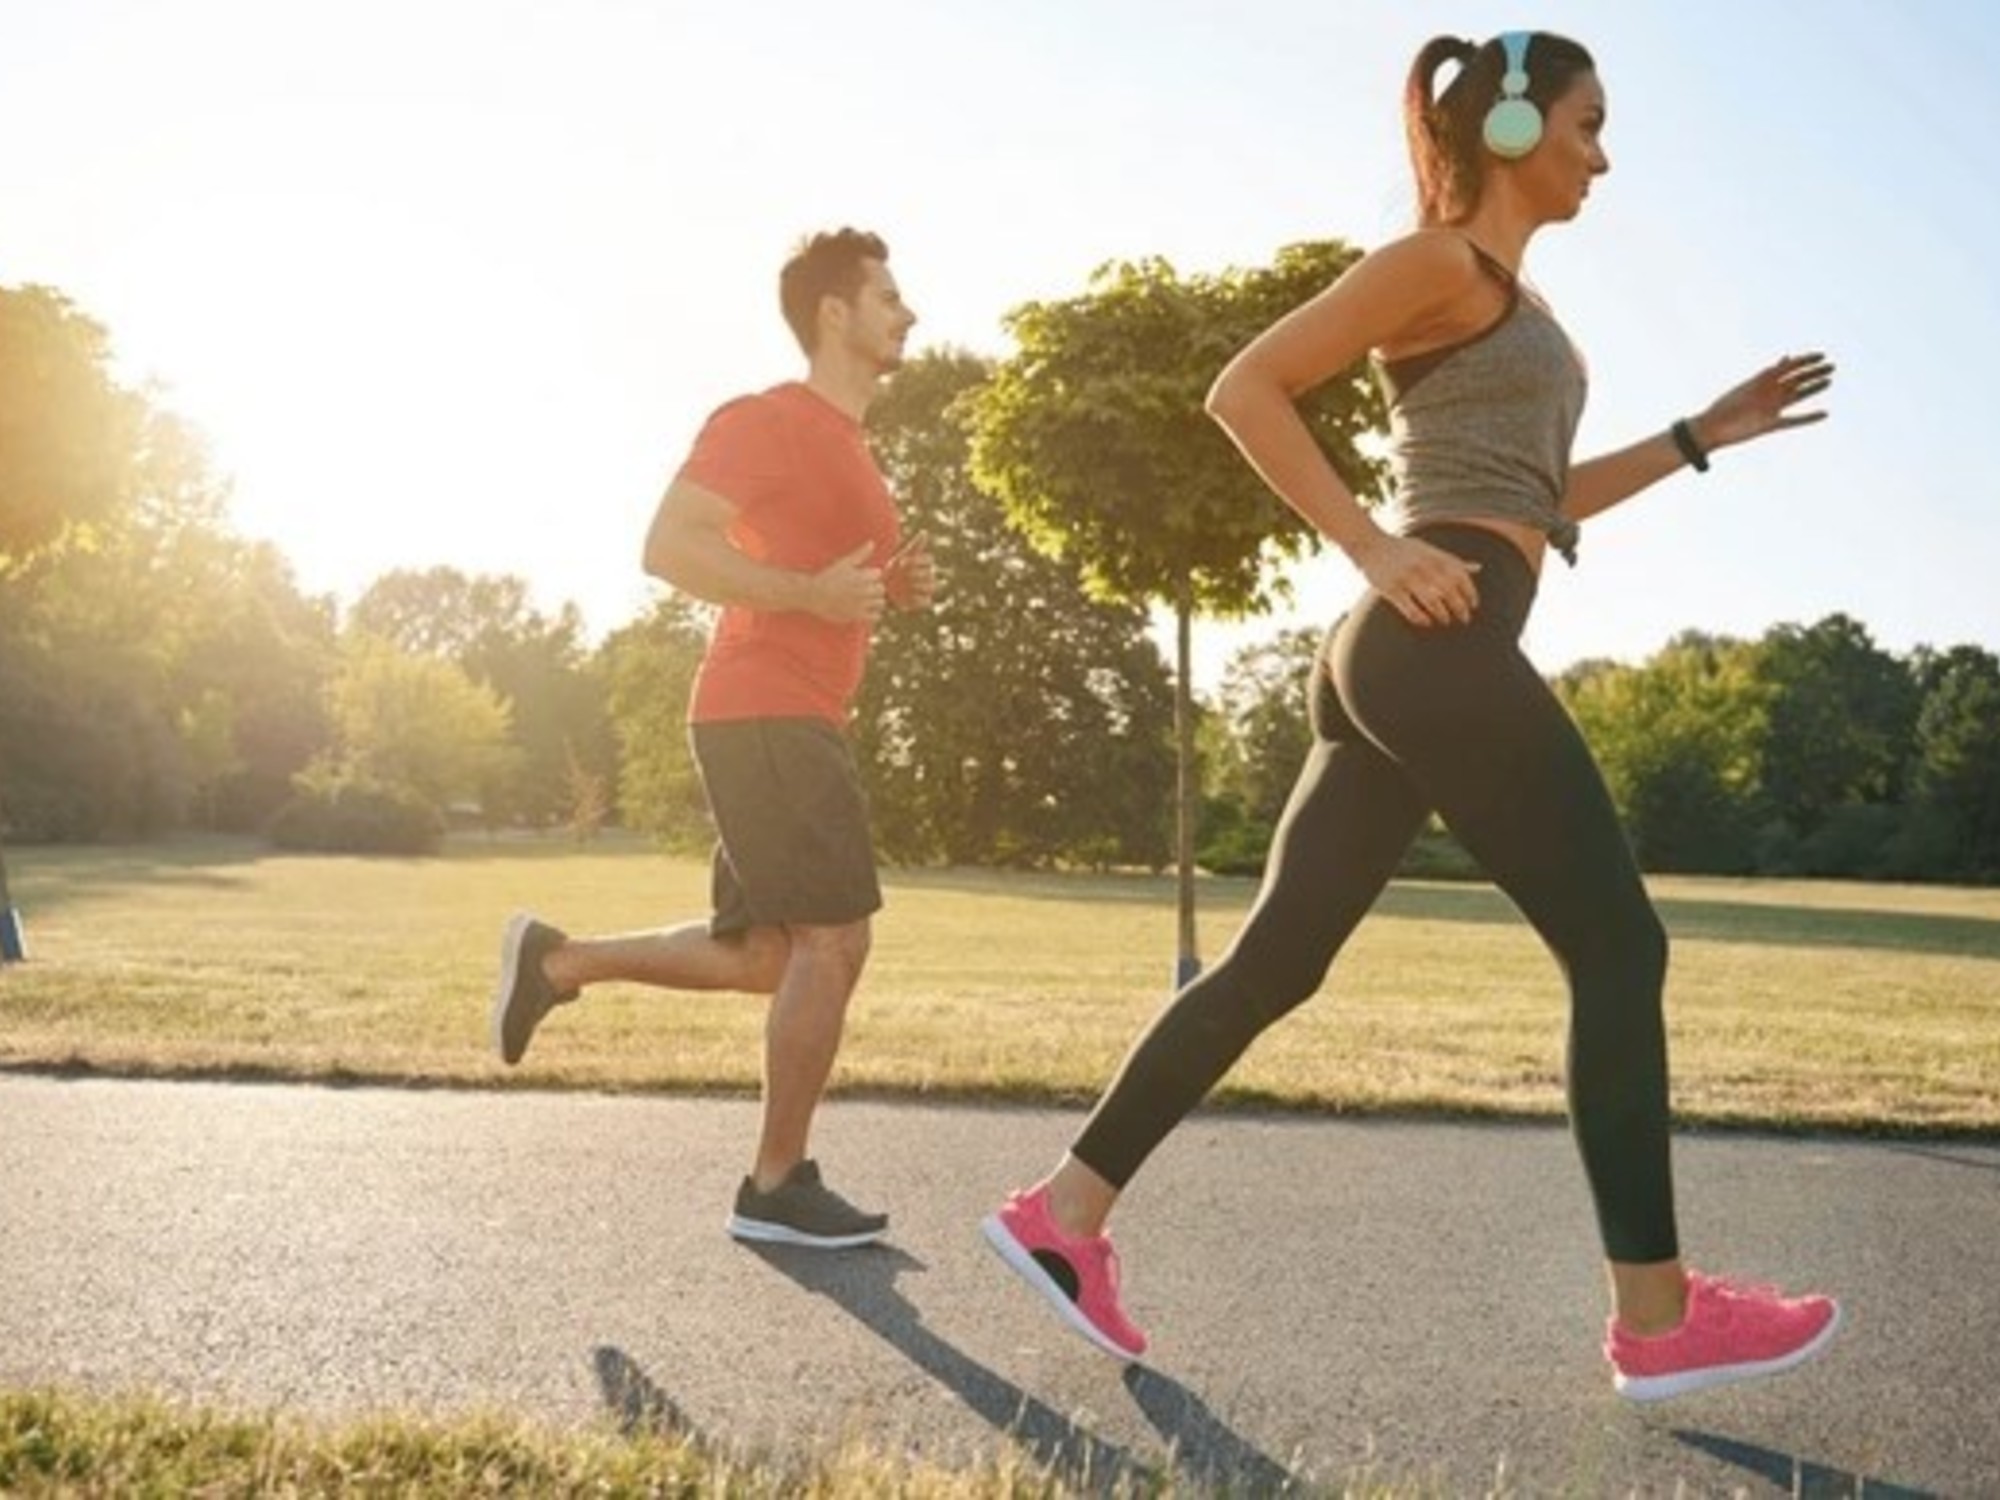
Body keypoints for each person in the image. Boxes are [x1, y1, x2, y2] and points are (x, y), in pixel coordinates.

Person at [982, 32, 1842, 1401]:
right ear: (1509, 128)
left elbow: (1538, 500)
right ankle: (1659, 1317)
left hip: (1416, 646)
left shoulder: (1516, 302)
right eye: (1586, 124)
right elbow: (1244, 388)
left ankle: (1062, 1217)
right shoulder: (1438, 261)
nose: (1604, 156)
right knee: (1620, 946)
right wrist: (1375, 550)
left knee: (1274, 965)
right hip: (1424, 636)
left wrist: (1698, 437)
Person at [491, 227, 933, 1250]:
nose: (906, 313)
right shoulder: (766, 419)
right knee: (835, 939)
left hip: (793, 712)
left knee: (765, 954)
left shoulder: (849, 444)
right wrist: (808, 593)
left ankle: (556, 964)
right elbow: (667, 546)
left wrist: (880, 592)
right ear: (833, 312)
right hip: (764, 707)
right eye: (887, 295)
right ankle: (775, 1188)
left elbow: (827, 578)